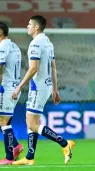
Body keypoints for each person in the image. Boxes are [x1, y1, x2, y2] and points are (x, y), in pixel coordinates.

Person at [11, 15, 75, 165]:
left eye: (29, 24)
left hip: (38, 88)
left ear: (36, 27)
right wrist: (55, 89)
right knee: (34, 122)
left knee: (32, 124)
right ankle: (29, 157)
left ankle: (65, 144)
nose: (27, 27)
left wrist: (19, 87)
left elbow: (34, 68)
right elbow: (53, 67)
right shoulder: (48, 42)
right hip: (45, 87)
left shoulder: (35, 44)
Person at [0, 22, 23, 165]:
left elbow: (0, 67)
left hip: (7, 89)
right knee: (4, 121)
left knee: (3, 121)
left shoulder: (2, 46)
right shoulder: (14, 46)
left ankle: (9, 157)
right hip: (14, 88)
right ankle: (15, 146)